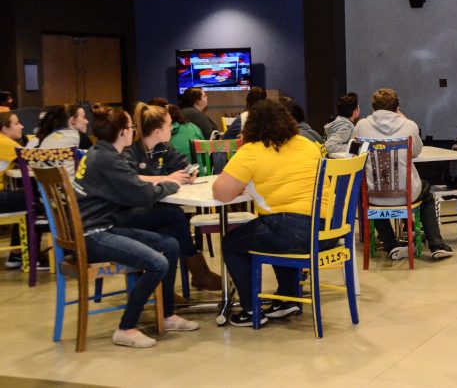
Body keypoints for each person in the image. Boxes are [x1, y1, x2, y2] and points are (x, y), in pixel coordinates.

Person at [74, 104, 198, 348]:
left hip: (101, 226)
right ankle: (126, 327)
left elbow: (133, 189)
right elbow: (140, 195)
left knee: (170, 245)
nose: (134, 130)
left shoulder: (99, 152)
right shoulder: (109, 160)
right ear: (123, 133)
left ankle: (167, 314)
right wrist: (172, 184)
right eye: (131, 126)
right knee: (157, 262)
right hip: (94, 234)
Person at [213, 99, 328, 326]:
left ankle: (250, 309)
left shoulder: (252, 152)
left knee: (233, 243)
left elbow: (221, 194)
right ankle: (288, 298)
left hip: (292, 232)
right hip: (327, 232)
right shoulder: (307, 145)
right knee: (271, 228)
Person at [117, 102, 222, 292]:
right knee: (175, 216)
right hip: (129, 213)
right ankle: (198, 273)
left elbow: (182, 165)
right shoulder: (131, 151)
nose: (172, 128)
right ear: (157, 131)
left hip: (153, 209)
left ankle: (162, 292)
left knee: (172, 227)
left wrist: (189, 173)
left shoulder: (164, 149)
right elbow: (130, 178)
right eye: (168, 125)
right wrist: (166, 178)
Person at [352, 88, 453, 260]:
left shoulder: (361, 125)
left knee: (371, 193)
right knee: (426, 192)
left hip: (374, 196)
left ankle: (391, 244)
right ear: (397, 107)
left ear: (373, 107)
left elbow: (354, 152)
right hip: (406, 195)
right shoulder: (409, 125)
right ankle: (436, 244)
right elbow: (416, 151)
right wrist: (403, 118)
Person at [0, 112, 49, 270]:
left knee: (27, 200)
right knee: (33, 202)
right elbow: (33, 161)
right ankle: (31, 257)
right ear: (4, 129)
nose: (21, 126)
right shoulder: (6, 143)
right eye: (16, 123)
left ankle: (16, 255)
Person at [27, 104, 93, 150]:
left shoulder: (45, 139)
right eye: (84, 117)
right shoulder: (81, 138)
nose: (87, 121)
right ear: (73, 120)